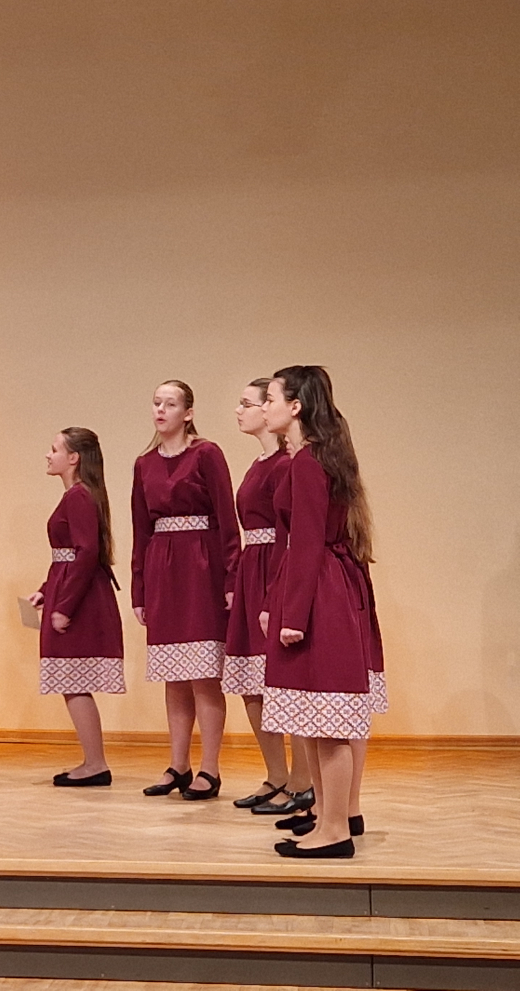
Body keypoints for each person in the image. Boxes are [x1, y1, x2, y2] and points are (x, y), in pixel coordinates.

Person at [261, 365, 380, 858]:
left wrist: (292, 615)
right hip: (320, 589)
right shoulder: (312, 458)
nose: (264, 407)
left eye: (270, 399)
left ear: (296, 407)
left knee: (327, 720)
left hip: (319, 597)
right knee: (312, 717)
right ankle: (330, 819)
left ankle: (334, 830)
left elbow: (307, 542)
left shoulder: (309, 463)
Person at [131, 381, 239, 801]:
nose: (161, 410)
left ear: (188, 413)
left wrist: (231, 578)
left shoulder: (206, 454)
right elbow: (141, 529)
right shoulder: (144, 464)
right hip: (163, 569)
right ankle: (178, 764)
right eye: (156, 402)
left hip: (201, 567)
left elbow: (227, 519)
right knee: (173, 675)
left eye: (170, 403)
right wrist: (139, 588)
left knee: (203, 674)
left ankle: (210, 768)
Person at [222, 382, 312, 816]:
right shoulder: (259, 464)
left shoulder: (287, 463)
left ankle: (302, 780)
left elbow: (289, 528)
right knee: (250, 684)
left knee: (281, 681)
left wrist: (274, 591)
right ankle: (276, 774)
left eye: (248, 403)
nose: (239, 411)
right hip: (251, 567)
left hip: (273, 566)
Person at [28, 428, 125, 787]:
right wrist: (46, 591)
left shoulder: (79, 497)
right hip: (69, 590)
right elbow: (68, 557)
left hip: (80, 599)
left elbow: (85, 554)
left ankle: (95, 763)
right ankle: (93, 760)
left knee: (75, 681)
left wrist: (65, 605)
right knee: (73, 682)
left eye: (54, 449)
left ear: (73, 458)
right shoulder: (78, 496)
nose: (48, 455)